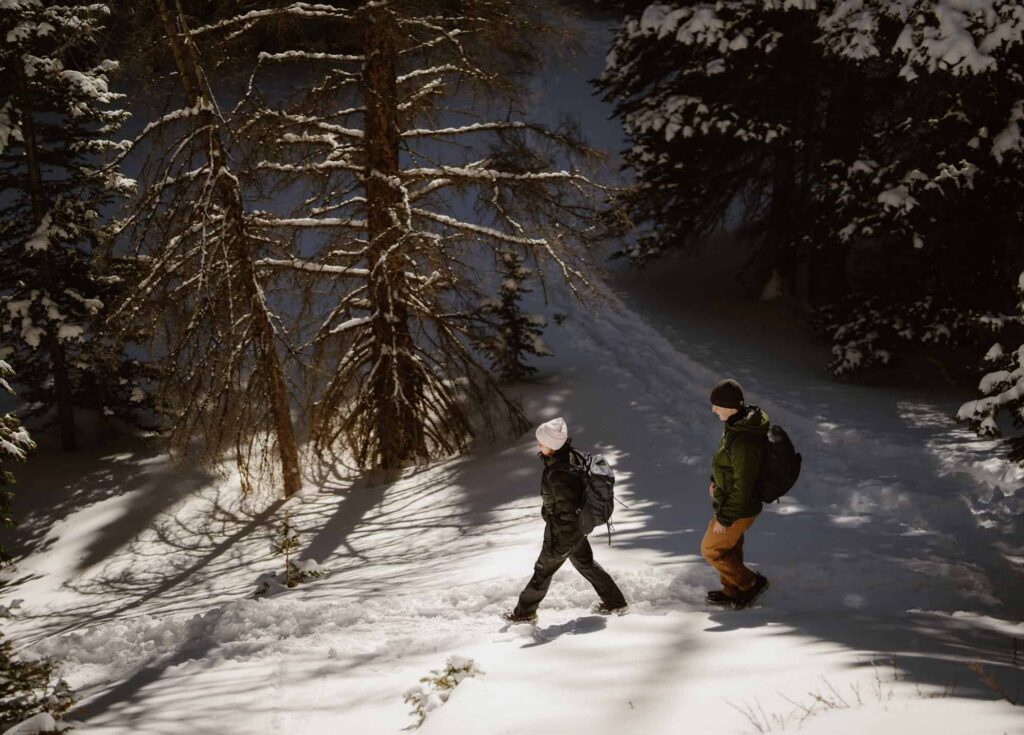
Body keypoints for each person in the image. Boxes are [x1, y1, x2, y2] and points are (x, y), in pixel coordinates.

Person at [502, 417, 628, 624]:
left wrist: (559, 542)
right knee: (586, 564)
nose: (538, 446)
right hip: (577, 528)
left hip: (564, 531)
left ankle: (524, 614)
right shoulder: (569, 457)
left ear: (551, 446)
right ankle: (616, 602)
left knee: (543, 570)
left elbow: (567, 511)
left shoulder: (559, 473)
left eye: (541, 443)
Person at [702, 379, 770, 609]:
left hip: (738, 508)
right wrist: (716, 483)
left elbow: (744, 486)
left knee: (711, 549)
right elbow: (728, 465)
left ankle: (751, 583)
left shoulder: (744, 440)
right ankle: (732, 590)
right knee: (729, 547)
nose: (713, 410)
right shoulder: (736, 425)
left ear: (731, 408)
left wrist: (725, 517)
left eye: (717, 406)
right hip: (731, 503)